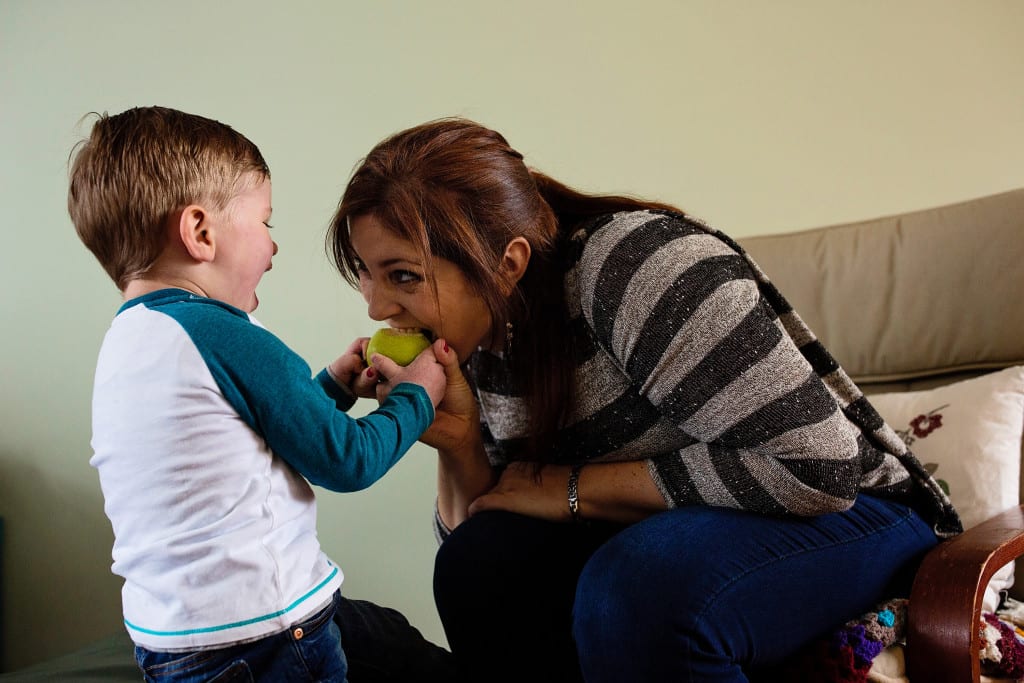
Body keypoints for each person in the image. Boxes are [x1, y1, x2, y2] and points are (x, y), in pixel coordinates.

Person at [325, 117, 963, 682]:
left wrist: (571, 488)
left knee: (641, 582)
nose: (379, 307)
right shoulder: (483, 338)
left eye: (403, 275)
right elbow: (487, 527)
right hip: (667, 535)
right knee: (478, 567)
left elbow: (820, 470)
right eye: (367, 275)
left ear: (506, 263)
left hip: (857, 518)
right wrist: (459, 440)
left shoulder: (638, 266)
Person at [68, 106, 458, 683]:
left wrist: (329, 388)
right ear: (201, 233)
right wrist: (419, 395)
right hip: (266, 637)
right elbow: (346, 460)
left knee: (388, 638)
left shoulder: (132, 341)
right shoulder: (223, 333)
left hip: (180, 644)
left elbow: (241, 436)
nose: (273, 248)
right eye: (265, 223)